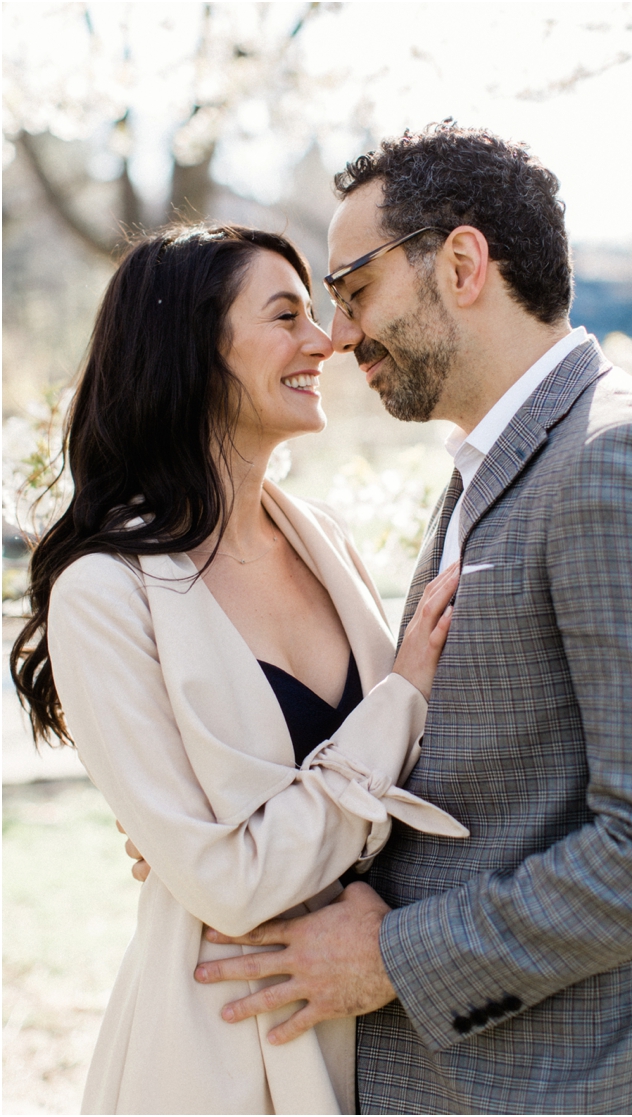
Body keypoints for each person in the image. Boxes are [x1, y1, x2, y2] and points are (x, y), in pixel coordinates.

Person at [187, 124, 632, 1114]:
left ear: (461, 262)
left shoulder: (619, 462)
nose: (343, 332)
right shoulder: (496, 467)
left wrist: (396, 957)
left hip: (575, 1084)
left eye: (354, 289)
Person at [8, 225, 469, 1114]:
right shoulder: (106, 594)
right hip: (224, 1049)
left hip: (382, 1039)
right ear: (193, 350)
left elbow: (411, 791)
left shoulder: (323, 539)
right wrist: (400, 696)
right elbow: (232, 880)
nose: (327, 340)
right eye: (286, 315)